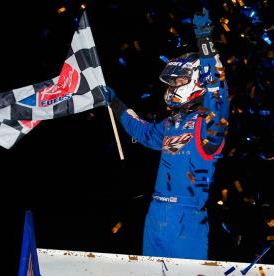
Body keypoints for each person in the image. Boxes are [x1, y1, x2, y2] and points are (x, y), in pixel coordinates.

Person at [104, 8, 229, 260]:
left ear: (196, 81)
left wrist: (205, 39)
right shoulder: (173, 122)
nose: (174, 87)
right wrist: (114, 102)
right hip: (156, 211)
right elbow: (144, 131)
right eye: (173, 82)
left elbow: (217, 87)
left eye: (180, 81)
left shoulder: (210, 122)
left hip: (187, 218)